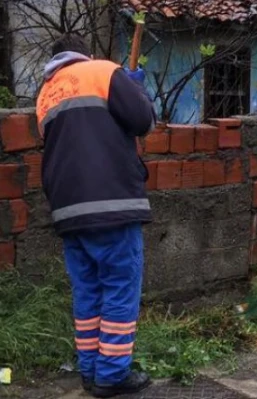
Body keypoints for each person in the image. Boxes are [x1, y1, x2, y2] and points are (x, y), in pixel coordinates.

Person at [35, 34, 155, 397]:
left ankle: (89, 370)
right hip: (112, 202)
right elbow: (143, 122)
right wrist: (134, 90)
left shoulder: (44, 95)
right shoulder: (102, 71)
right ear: (83, 53)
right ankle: (112, 375)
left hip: (67, 209)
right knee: (120, 288)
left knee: (87, 294)